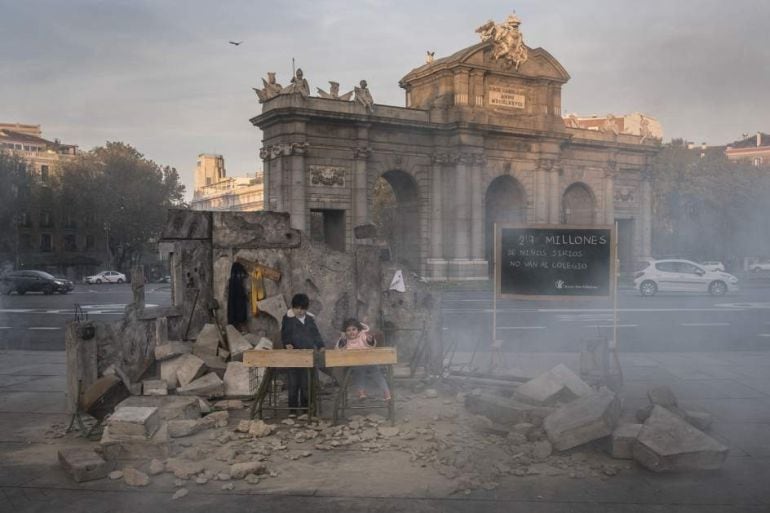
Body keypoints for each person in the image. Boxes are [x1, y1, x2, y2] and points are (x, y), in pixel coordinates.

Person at [280, 293, 325, 413]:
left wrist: (320, 345)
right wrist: (287, 344)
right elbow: (285, 334)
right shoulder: (287, 319)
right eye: (297, 308)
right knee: (293, 384)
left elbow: (316, 334)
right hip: (293, 356)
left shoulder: (310, 319)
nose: (300, 311)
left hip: (308, 356)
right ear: (293, 307)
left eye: (303, 309)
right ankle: (293, 410)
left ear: (306, 309)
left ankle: (306, 409)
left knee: (306, 384)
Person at [336, 318, 391, 401]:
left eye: (354, 329)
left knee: (376, 372)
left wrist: (370, 340)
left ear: (358, 330)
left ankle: (386, 391)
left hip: (369, 361)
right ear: (345, 332)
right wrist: (342, 341)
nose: (351, 332)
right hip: (355, 363)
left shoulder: (362, 336)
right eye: (348, 330)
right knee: (359, 372)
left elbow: (371, 345)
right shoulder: (345, 340)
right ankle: (361, 392)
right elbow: (339, 349)